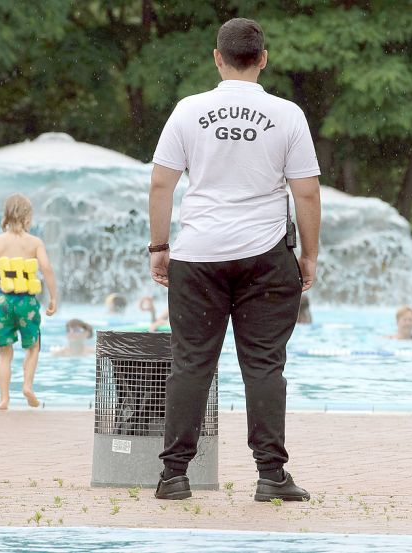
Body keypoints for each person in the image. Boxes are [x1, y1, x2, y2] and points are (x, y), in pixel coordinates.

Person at [147, 18, 320, 503]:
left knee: (191, 364)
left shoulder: (188, 111)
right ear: (263, 59)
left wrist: (159, 247)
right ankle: (271, 475)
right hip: (266, 256)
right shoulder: (287, 115)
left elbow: (162, 183)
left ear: (217, 58)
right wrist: (309, 256)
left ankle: (174, 474)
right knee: (264, 366)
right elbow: (305, 191)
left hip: (197, 254)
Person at [0, 193, 58, 411]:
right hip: (27, 303)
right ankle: (27, 386)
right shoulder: (34, 243)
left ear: (5, 215)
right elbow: (47, 268)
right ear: (27, 216)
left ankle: (4, 399)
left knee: (4, 352)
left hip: (2, 301)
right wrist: (54, 297)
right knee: (33, 346)